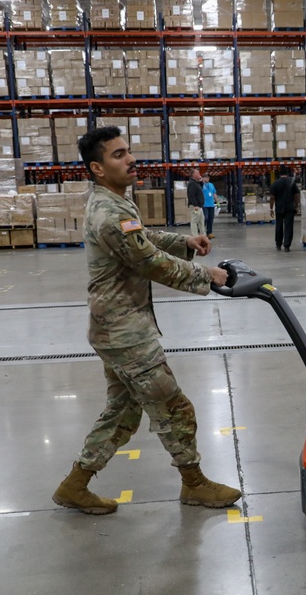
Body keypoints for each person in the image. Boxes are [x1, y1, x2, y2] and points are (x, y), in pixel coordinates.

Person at [52, 126, 240, 515]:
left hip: (119, 326)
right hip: (124, 332)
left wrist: (183, 243)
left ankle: (75, 484)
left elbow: (142, 238)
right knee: (175, 407)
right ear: (98, 168)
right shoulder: (108, 212)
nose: (130, 159)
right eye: (118, 154)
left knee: (123, 410)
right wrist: (208, 275)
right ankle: (194, 484)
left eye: (128, 151)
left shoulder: (116, 203)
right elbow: (148, 261)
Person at [269, 166, 300, 252]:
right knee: (288, 226)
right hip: (290, 208)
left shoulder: (275, 183)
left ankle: (278, 244)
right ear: (287, 173)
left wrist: (271, 208)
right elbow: (297, 195)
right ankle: (287, 246)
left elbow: (272, 197)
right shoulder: (292, 182)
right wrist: (296, 206)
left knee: (279, 226)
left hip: (279, 207)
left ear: (279, 174)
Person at [187, 168, 205, 236]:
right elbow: (191, 195)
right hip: (195, 206)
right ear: (193, 175)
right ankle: (195, 235)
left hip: (199, 206)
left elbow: (200, 188)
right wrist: (195, 205)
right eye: (197, 173)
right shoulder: (192, 183)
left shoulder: (196, 183)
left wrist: (201, 181)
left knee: (201, 220)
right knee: (195, 220)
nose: (199, 175)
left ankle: (203, 234)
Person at [202, 174, 218, 239]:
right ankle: (202, 232)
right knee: (205, 218)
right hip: (204, 205)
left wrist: (217, 201)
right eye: (205, 177)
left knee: (210, 219)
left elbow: (214, 193)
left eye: (208, 177)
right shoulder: (201, 185)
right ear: (202, 178)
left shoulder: (211, 185)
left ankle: (209, 232)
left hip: (211, 204)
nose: (207, 178)